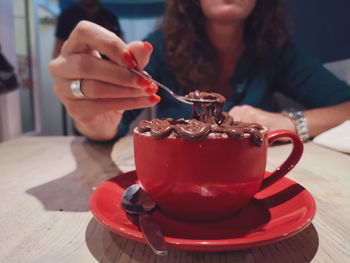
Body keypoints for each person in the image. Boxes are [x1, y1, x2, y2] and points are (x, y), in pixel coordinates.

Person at [49, 0, 350, 143]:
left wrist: (290, 123)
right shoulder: (159, 48)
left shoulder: (277, 51)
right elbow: (109, 124)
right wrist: (94, 117)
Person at [53, 0, 122, 59]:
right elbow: (58, 49)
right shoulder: (67, 16)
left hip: (107, 70)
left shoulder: (110, 17)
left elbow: (120, 45)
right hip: (74, 68)